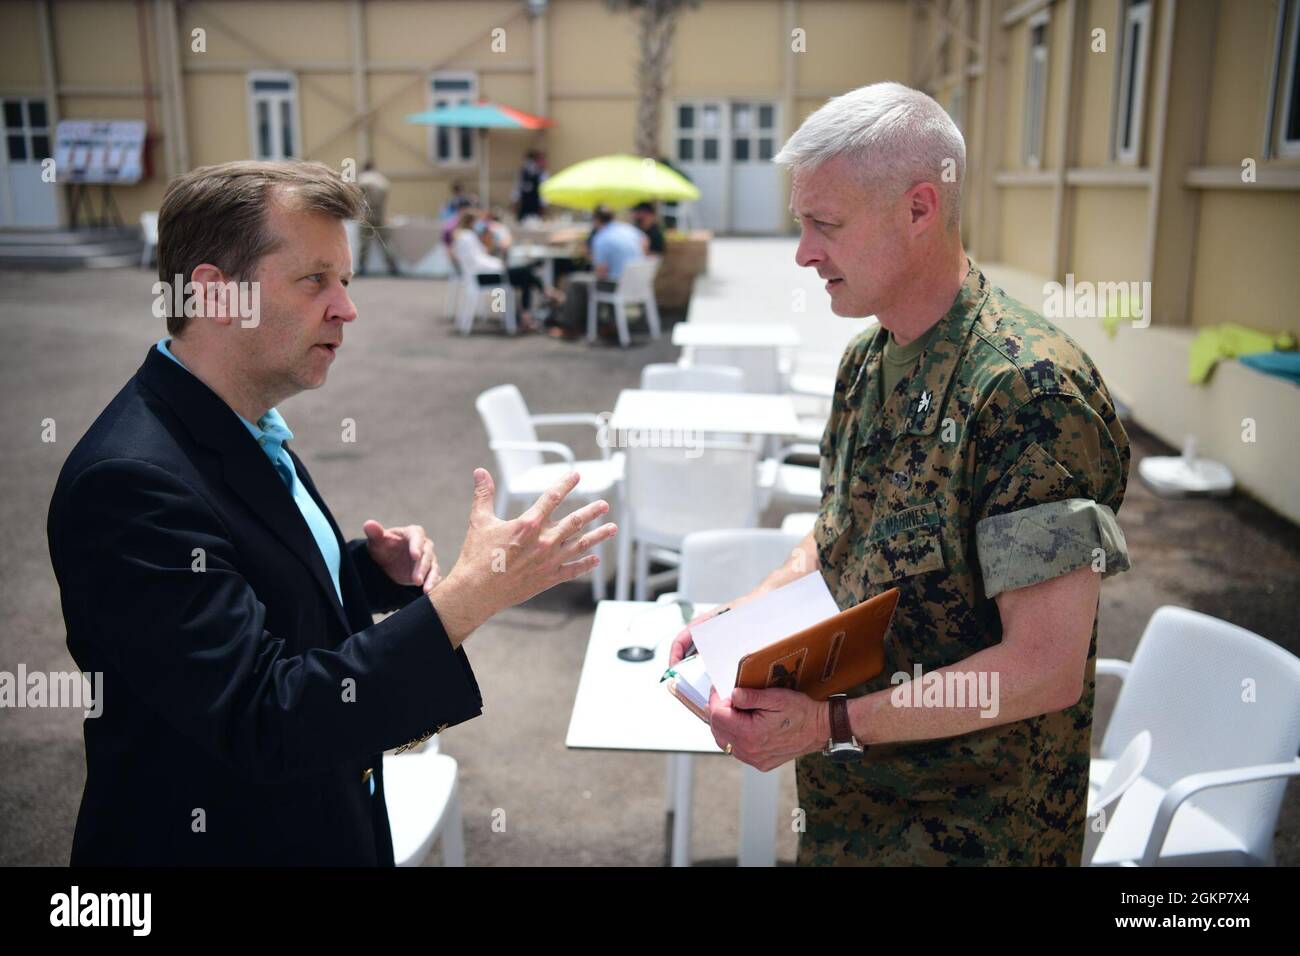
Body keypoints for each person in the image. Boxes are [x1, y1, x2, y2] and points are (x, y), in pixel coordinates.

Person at [47, 160, 617, 865]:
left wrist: (361, 572)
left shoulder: (238, 420)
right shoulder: (129, 481)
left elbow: (242, 578)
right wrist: (469, 598)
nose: (346, 308)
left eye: (345, 281)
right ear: (216, 295)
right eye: (315, 280)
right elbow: (261, 716)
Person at [670, 81, 1133, 866]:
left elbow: (1042, 668)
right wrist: (736, 622)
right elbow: (835, 540)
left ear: (920, 209)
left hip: (978, 832)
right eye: (801, 223)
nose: (804, 252)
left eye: (826, 225)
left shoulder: (1027, 391)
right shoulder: (868, 360)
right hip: (850, 814)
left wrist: (829, 725)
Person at [450, 209, 560, 331]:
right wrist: (498, 264)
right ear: (471, 222)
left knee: (526, 276)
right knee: (526, 273)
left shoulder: (466, 236)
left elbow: (481, 257)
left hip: (486, 272)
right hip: (486, 275)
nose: (479, 224)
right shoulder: (467, 237)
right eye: (477, 221)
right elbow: (477, 261)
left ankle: (528, 313)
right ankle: (544, 293)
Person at [357, 160, 400, 276]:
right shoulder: (382, 180)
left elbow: (359, 197)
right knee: (385, 242)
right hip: (380, 215)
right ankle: (393, 267)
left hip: (366, 215)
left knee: (364, 243)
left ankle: (362, 267)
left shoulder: (362, 179)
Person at [513, 149, 547, 221]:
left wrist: (542, 207)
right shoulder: (523, 173)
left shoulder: (542, 174)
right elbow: (517, 190)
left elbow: (543, 194)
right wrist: (515, 203)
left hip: (535, 207)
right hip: (524, 207)